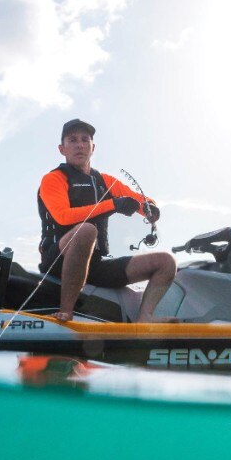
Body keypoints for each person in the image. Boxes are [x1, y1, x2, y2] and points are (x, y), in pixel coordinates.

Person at [37, 118, 177, 322]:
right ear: (62, 149)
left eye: (85, 140)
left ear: (93, 147)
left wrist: (149, 207)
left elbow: (139, 200)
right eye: (72, 140)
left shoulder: (105, 181)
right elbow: (63, 217)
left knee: (166, 261)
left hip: (95, 264)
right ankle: (66, 312)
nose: (79, 145)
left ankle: (145, 317)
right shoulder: (53, 179)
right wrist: (113, 205)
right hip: (57, 260)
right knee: (86, 230)